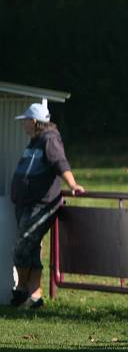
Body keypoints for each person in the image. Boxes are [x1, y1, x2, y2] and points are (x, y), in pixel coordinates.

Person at [10, 103, 84, 308]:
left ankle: (21, 290)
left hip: (40, 206)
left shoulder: (50, 138)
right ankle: (35, 297)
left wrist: (72, 184)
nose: (24, 124)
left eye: (26, 120)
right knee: (31, 251)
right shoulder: (34, 141)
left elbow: (59, 162)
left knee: (21, 249)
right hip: (27, 204)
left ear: (34, 122)